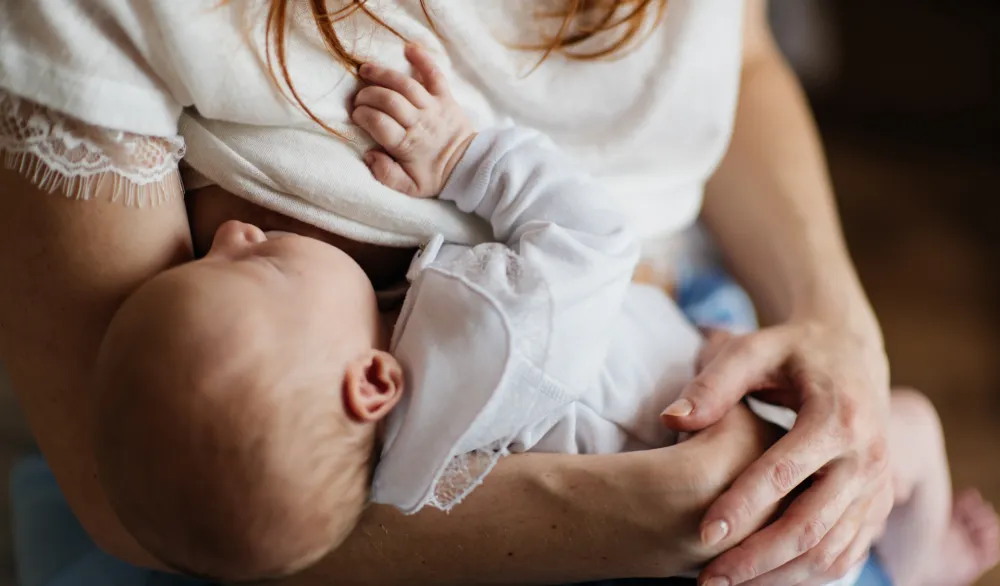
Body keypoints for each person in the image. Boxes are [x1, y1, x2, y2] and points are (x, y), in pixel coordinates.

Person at [0, 1, 918, 585]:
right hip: (692, 431)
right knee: (907, 448)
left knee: (885, 454)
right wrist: (467, 159)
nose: (234, 238)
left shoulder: (357, 452)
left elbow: (744, 54)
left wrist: (840, 321)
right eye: (258, 262)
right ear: (373, 383)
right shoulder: (479, 329)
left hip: (697, 377)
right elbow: (589, 240)